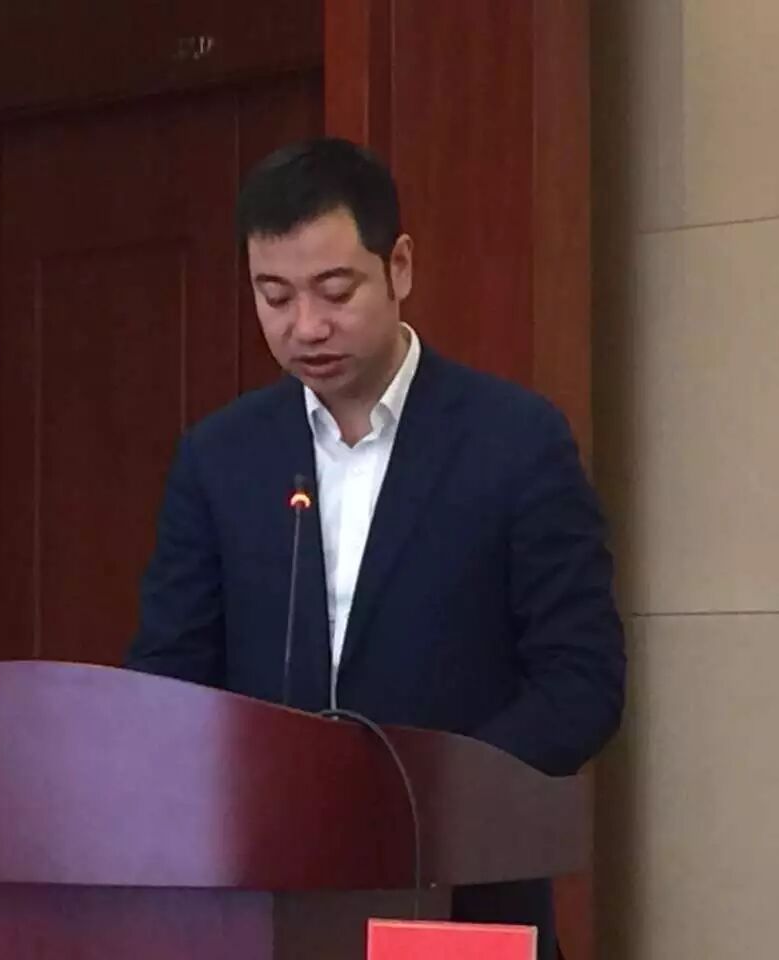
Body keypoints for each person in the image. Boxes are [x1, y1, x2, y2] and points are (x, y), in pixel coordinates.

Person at [124, 137, 625, 958]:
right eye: (274, 296)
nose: (306, 326)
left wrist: (429, 797)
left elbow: (582, 681)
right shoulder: (220, 458)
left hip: (464, 900)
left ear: (399, 267)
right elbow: (168, 678)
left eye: (335, 291)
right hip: (266, 904)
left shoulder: (514, 441)